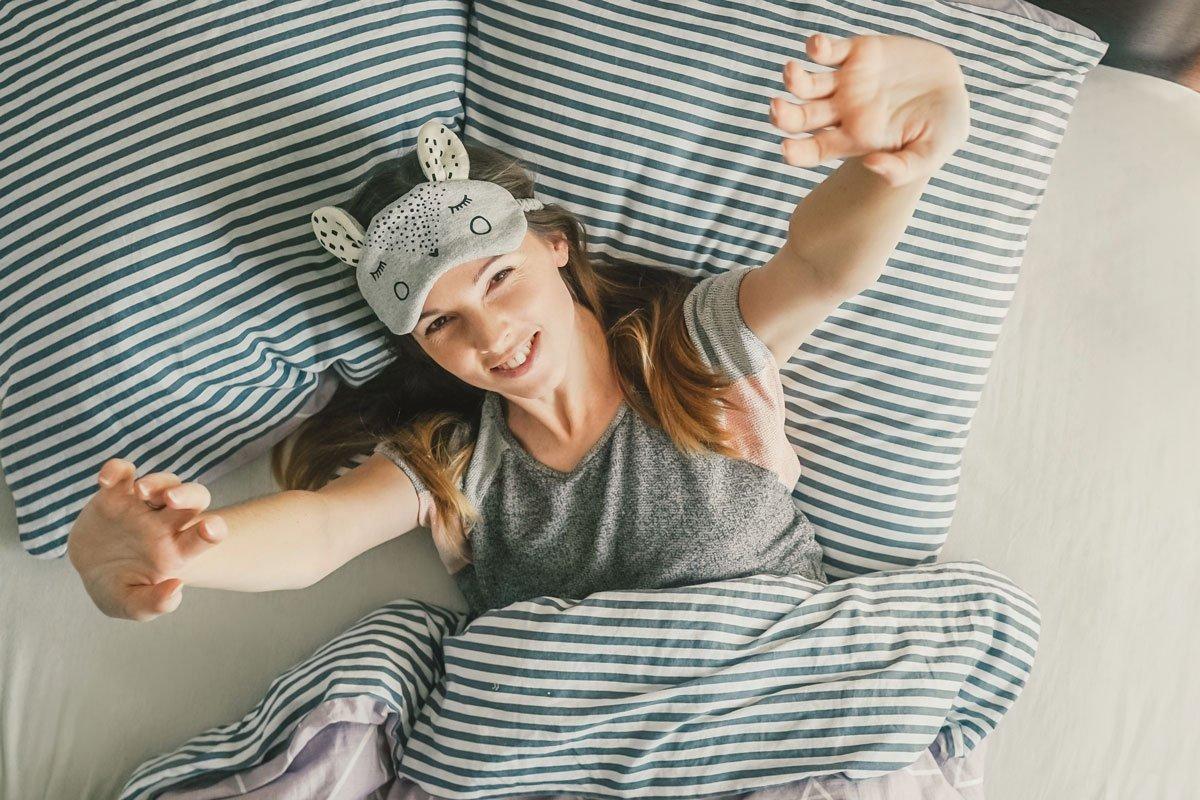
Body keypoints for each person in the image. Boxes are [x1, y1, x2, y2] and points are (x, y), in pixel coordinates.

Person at [67, 33, 972, 622]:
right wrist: (180, 551)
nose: (490, 333)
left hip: (770, 698)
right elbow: (318, 531)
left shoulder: (692, 351)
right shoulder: (459, 462)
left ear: (557, 248)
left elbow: (821, 266)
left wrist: (911, 150)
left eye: (500, 276)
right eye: (442, 325)